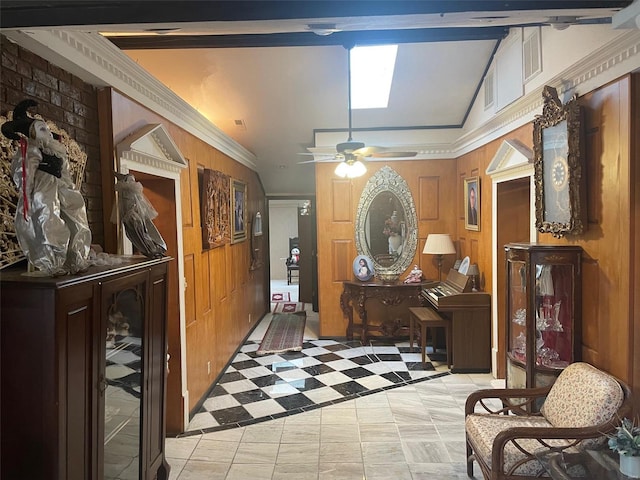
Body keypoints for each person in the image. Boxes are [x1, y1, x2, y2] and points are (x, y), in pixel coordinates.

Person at [1, 99, 91, 275]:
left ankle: (76, 257)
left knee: (76, 216)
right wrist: (27, 193)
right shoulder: (33, 150)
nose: (48, 133)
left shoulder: (56, 151)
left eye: (47, 129)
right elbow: (25, 172)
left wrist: (70, 189)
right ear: (32, 134)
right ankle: (53, 261)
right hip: (44, 187)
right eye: (42, 130)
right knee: (48, 219)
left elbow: (65, 173)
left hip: (62, 187)